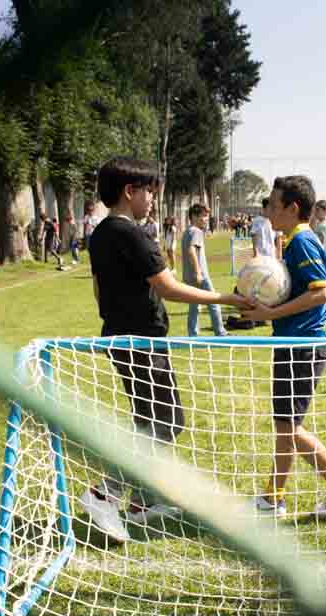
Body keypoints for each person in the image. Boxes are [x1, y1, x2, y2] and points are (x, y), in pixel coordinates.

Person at [81, 157, 250, 542]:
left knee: (147, 418)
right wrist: (226, 298)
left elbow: (97, 288)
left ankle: (142, 501)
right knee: (166, 421)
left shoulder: (102, 234)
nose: (153, 200)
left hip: (122, 337)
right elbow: (168, 287)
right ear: (130, 192)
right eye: (150, 192)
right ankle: (103, 494)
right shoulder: (131, 234)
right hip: (141, 341)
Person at [240, 175, 326, 519]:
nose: (268, 211)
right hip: (292, 343)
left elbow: (321, 292)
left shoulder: (302, 241)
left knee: (289, 428)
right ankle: (271, 499)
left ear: (292, 208)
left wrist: (271, 313)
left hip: (303, 346)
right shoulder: (292, 240)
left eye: (273, 204)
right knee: (286, 425)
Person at [183, 204, 228, 337]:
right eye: (203, 216)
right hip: (200, 275)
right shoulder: (196, 231)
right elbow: (191, 250)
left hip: (189, 276)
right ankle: (220, 332)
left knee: (194, 305)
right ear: (194, 217)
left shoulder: (188, 231)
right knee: (214, 302)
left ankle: (192, 335)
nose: (206, 219)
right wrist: (198, 272)